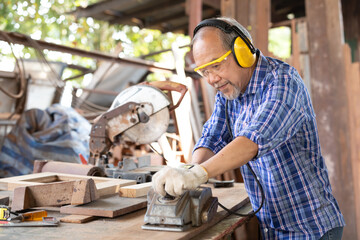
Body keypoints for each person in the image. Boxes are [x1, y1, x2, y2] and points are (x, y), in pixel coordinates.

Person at [152, 17, 345, 239]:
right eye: (204, 71)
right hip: (271, 226)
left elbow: (253, 141)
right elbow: (212, 136)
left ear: (242, 51)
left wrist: (198, 174)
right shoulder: (228, 92)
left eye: (216, 65)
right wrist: (187, 171)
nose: (212, 79)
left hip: (311, 228)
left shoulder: (283, 82)